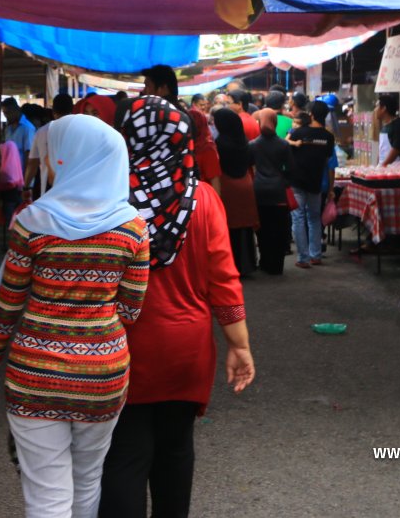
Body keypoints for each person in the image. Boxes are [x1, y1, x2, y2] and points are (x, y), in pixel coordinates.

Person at [0, 114, 150, 518]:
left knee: (45, 496)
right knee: (87, 482)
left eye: (54, 155)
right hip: (102, 374)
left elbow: (6, 310)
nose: (49, 163)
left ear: (73, 158)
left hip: (34, 374)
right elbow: (131, 310)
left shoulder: (32, 222)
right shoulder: (133, 229)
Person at [100, 96, 256, 518]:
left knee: (123, 458)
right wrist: (239, 345)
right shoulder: (204, 199)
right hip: (186, 350)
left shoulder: (107, 200)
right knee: (175, 452)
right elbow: (224, 281)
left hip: (120, 348)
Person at [287, 102, 336, 269]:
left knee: (298, 218)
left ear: (312, 114)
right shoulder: (328, 137)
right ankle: (316, 255)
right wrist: (330, 189)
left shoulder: (299, 132)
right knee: (314, 218)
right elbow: (329, 163)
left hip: (297, 181)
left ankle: (303, 258)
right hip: (315, 182)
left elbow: (288, 150)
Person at [212, 108, 259, 277]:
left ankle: (231, 265)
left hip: (227, 186)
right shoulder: (244, 140)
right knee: (245, 229)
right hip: (245, 184)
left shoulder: (218, 143)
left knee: (229, 227)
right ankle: (247, 264)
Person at [250, 109, 291, 275]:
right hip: (278, 191)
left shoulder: (253, 144)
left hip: (259, 190)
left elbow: (248, 165)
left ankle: (265, 261)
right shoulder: (284, 144)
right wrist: (284, 181)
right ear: (275, 122)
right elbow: (291, 169)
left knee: (263, 229)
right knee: (279, 228)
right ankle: (277, 265)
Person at [24, 93, 73, 202]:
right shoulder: (80, 131)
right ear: (72, 110)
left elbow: (32, 163)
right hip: (72, 191)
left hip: (48, 190)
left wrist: (25, 187)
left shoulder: (41, 132)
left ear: (53, 111)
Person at [376, 95, 400, 166]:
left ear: (384, 108)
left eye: (377, 106)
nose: (375, 110)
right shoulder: (385, 126)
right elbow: (381, 151)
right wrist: (378, 166)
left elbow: (396, 149)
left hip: (398, 172)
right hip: (384, 171)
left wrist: (383, 166)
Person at [1, 97, 36, 164]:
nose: (6, 116)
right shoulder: (8, 129)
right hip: (9, 171)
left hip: (21, 172)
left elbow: (29, 155)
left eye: (8, 113)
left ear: (16, 110)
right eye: (4, 113)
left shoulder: (27, 128)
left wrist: (25, 174)